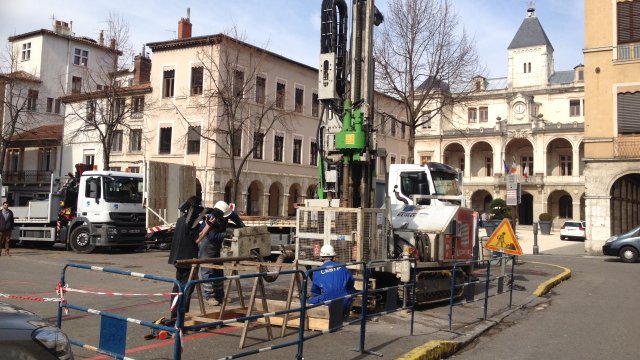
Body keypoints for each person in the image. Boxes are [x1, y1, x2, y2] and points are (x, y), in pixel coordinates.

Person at [196, 201, 245, 306]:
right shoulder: (211, 218)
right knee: (207, 270)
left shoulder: (226, 212)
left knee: (219, 269)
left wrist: (243, 228)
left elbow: (235, 217)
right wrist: (228, 233)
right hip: (207, 245)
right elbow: (213, 236)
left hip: (217, 245)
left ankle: (220, 296)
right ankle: (209, 296)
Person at [167, 196, 202, 322]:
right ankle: (179, 317)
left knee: (178, 287)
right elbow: (196, 239)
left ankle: (174, 315)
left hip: (178, 259)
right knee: (186, 289)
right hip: (187, 260)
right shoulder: (192, 222)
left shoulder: (180, 220)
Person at [308, 244, 356, 311]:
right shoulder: (343, 267)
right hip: (344, 301)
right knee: (353, 291)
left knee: (310, 302)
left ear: (321, 257)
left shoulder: (317, 271)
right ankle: (345, 313)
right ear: (334, 257)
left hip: (328, 303)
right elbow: (351, 283)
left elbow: (315, 292)